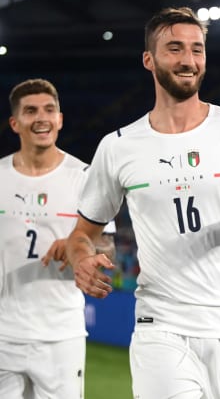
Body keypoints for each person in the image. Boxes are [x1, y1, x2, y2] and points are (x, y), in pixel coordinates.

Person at [66, 7, 220, 399]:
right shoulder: (119, 146)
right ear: (149, 59)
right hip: (161, 327)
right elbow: (82, 234)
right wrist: (81, 259)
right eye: (175, 48)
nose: (188, 60)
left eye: (197, 49)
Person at [0, 78, 115, 398]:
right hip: (3, 333)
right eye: (30, 111)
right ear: (15, 123)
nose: (41, 118)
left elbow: (108, 251)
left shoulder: (86, 178)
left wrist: (79, 245)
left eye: (49, 110)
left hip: (60, 336)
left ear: (60, 119)